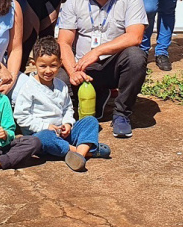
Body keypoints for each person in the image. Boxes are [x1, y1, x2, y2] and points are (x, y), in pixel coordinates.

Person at [56, 0, 148, 138]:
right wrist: (73, 72)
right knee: (58, 76)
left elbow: (135, 36)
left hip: (113, 65)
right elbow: (64, 42)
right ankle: (91, 99)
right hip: (82, 67)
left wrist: (97, 51)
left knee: (136, 57)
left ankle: (121, 114)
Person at [13, 37, 110, 171]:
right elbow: (21, 117)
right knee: (43, 138)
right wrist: (45, 126)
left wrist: (68, 123)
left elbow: (67, 108)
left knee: (91, 121)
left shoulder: (61, 85)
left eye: (53, 65)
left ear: (60, 63)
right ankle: (86, 151)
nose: (48, 71)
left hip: (63, 134)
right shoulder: (28, 88)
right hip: (41, 135)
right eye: (42, 66)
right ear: (33, 63)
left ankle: (78, 156)